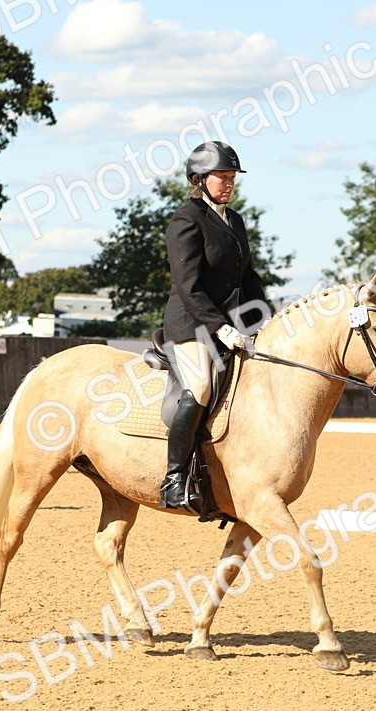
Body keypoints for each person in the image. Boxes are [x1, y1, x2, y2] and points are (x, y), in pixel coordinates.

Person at [159, 140, 267, 511]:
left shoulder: (234, 220)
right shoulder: (186, 218)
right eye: (222, 176)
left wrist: (262, 320)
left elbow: (247, 277)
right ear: (200, 179)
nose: (229, 183)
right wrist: (220, 327)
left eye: (232, 177)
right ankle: (174, 478)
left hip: (232, 325)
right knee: (202, 386)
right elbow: (188, 286)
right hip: (192, 324)